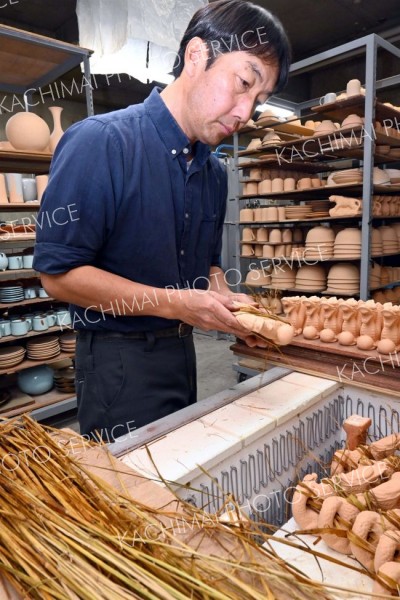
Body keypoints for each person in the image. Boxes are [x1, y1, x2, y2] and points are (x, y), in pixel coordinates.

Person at [33, 0, 291, 442]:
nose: (245, 112)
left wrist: (227, 304)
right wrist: (178, 304)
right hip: (118, 363)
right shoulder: (103, 143)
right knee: (132, 498)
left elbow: (207, 268)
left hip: (182, 352)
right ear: (196, 55)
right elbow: (58, 276)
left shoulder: (212, 171)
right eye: (243, 83)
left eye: (259, 100)